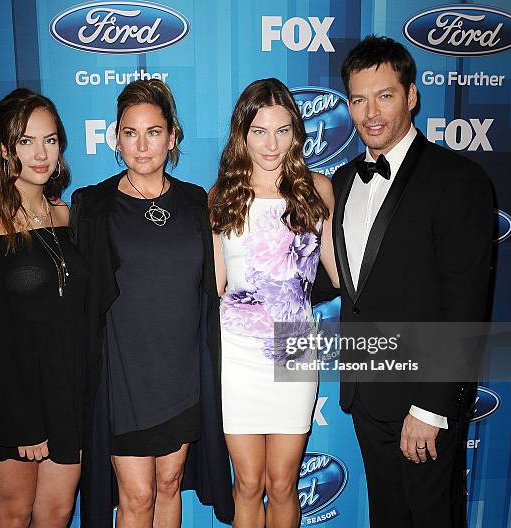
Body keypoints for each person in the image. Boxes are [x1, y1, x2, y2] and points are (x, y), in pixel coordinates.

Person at [332, 36, 494, 527]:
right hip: (365, 391)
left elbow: (466, 303)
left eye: (385, 95)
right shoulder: (341, 180)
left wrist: (431, 406)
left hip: (421, 402)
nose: (371, 112)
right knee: (388, 516)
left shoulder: (458, 180)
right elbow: (341, 282)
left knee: (431, 518)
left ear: (412, 96)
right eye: (359, 99)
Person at [69, 79, 233, 528]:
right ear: (116, 137)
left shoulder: (196, 201)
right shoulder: (93, 205)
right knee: (137, 496)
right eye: (130, 132)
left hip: (182, 374)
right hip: (124, 378)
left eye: (154, 132)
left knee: (169, 483)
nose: (142, 145)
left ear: (172, 136)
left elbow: (215, 284)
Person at [0, 88, 86, 528]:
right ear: (6, 147)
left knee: (57, 513)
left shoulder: (63, 216)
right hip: (10, 399)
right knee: (13, 515)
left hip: (63, 390)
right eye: (26, 141)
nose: (41, 153)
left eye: (50, 140)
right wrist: (26, 422)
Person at [209, 78, 339, 528]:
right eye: (260, 130)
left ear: (296, 134)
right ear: (241, 133)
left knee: (282, 482)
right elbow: (217, 285)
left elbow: (340, 273)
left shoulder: (318, 190)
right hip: (238, 352)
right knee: (247, 483)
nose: (271, 143)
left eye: (282, 130)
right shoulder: (221, 197)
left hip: (294, 347)